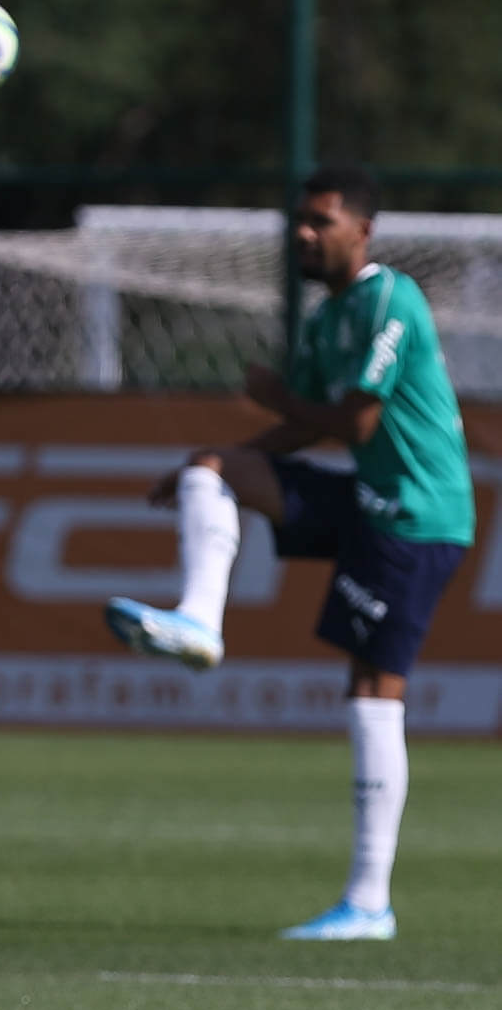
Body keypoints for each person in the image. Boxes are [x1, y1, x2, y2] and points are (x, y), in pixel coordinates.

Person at [104, 164, 474, 942]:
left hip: (416, 514)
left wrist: (278, 402)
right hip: (366, 500)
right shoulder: (325, 317)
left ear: (362, 230)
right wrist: (227, 455)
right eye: (299, 220)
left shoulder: (389, 300)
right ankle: (200, 622)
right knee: (217, 469)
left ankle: (370, 902)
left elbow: (358, 424)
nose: (303, 234)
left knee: (374, 688)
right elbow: (310, 428)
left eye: (321, 222)